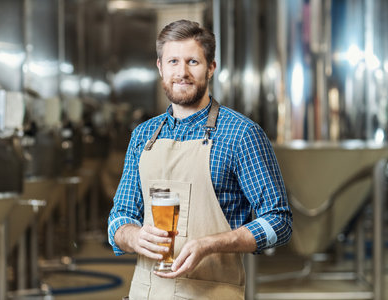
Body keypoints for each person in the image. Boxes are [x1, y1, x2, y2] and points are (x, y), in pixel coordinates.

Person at [108, 19, 292, 299]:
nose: (181, 72)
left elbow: (279, 222)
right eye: (172, 61)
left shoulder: (241, 134)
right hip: (147, 292)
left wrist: (211, 244)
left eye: (192, 61)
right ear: (160, 67)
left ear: (211, 67)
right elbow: (118, 218)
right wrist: (133, 236)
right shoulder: (143, 135)